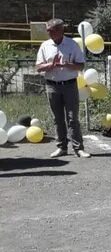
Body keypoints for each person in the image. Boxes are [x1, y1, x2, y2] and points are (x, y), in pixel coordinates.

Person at [35, 18, 88, 158]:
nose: (49, 34)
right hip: (52, 86)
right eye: (48, 31)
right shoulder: (45, 46)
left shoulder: (72, 45)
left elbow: (81, 65)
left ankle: (78, 148)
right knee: (57, 118)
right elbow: (38, 67)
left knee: (72, 118)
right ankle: (61, 147)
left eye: (51, 31)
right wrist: (50, 65)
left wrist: (67, 65)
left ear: (60, 30)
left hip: (69, 85)